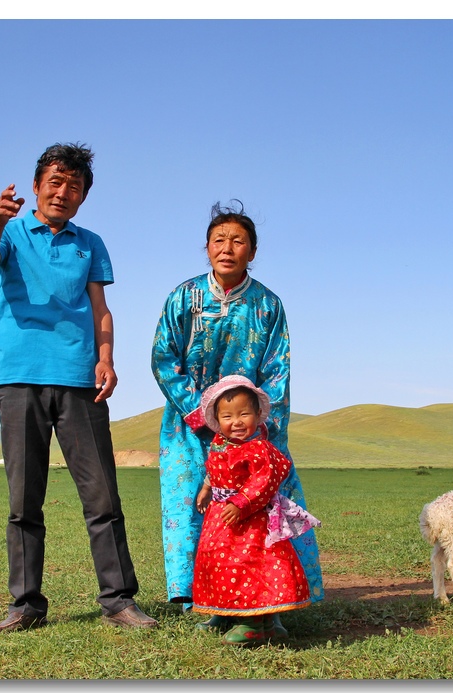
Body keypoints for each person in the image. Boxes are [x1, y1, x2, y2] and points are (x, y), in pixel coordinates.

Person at [0, 142, 156, 634]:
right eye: (55, 182)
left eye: (74, 185)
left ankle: (119, 601)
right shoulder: (10, 232)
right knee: (24, 500)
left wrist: (107, 358)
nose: (63, 191)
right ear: (36, 188)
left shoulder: (90, 242)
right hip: (19, 378)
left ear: (83, 197)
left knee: (102, 497)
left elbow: (101, 307)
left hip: (78, 378)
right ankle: (26, 604)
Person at [150, 200, 324, 631]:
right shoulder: (183, 297)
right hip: (189, 425)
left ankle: (274, 603)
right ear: (206, 248)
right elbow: (162, 357)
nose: (227, 248)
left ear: (253, 250)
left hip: (254, 428)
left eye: (238, 240)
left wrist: (259, 426)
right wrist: (201, 415)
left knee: (263, 508)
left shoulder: (268, 305)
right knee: (194, 507)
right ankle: (208, 605)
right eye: (218, 240)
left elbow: (278, 368)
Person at [191, 375, 320, 646]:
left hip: (250, 523)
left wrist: (241, 503)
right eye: (227, 416)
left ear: (258, 414)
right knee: (219, 563)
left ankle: (255, 623)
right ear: (216, 419)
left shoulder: (258, 448)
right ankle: (226, 611)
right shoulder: (220, 443)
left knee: (248, 565)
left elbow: (264, 480)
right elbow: (215, 470)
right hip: (221, 519)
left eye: (244, 414)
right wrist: (206, 489)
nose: (236, 422)